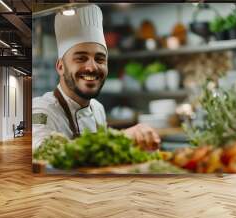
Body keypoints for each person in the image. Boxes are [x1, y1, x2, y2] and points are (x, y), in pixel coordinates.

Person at [32, 4, 161, 151]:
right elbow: (43, 152)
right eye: (81, 58)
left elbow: (99, 158)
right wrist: (120, 139)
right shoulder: (42, 110)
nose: (92, 67)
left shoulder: (97, 109)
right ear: (60, 67)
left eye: (100, 59)